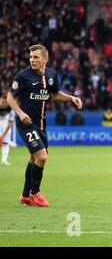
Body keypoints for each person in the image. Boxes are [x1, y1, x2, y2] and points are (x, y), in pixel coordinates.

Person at [7, 44, 82, 207]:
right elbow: (10, 97)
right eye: (31, 57)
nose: (32, 60)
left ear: (45, 59)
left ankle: (25, 196)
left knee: (34, 158)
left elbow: (55, 94)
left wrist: (71, 97)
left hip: (41, 124)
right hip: (26, 123)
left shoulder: (51, 75)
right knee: (42, 157)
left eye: (36, 57)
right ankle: (35, 193)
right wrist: (20, 113)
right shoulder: (23, 76)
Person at [0, 93, 15, 166]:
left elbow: (10, 123)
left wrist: (3, 135)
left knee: (5, 142)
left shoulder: (11, 108)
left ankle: (4, 160)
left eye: (4, 102)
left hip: (5, 123)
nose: (2, 103)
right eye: (1, 101)